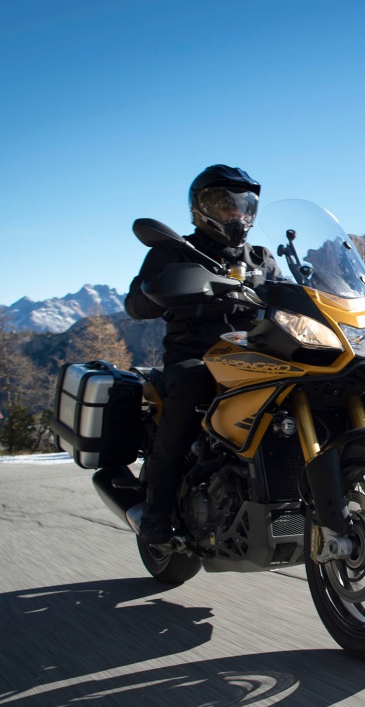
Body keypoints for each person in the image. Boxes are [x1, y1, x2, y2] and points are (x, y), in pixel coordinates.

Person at [125, 164, 280, 545]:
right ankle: (156, 514)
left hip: (255, 355)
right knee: (192, 388)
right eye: (225, 204)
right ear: (201, 208)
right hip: (195, 354)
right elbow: (136, 305)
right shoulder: (175, 251)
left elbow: (290, 295)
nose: (235, 213)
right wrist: (157, 289)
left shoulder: (261, 257)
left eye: (243, 205)